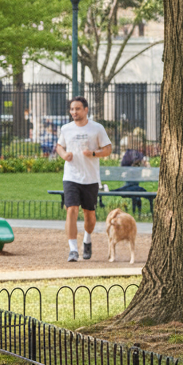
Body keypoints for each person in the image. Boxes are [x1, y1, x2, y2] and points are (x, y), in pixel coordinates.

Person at [57, 96, 112, 263]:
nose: (74, 112)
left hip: (90, 178)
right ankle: (73, 249)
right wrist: (64, 154)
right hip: (71, 176)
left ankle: (87, 239)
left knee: (90, 215)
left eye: (77, 109)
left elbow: (108, 149)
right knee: (71, 209)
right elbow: (59, 146)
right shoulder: (66, 129)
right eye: (72, 109)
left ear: (86, 110)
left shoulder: (97, 128)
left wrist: (94, 154)